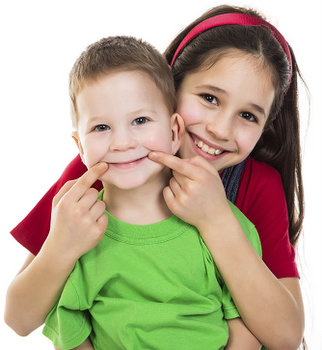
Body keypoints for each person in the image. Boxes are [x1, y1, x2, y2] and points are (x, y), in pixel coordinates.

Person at [5, 5, 305, 349]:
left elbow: (283, 337)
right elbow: (23, 317)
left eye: (248, 115)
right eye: (209, 98)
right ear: (171, 87)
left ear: (265, 125)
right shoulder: (105, 169)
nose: (220, 129)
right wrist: (61, 247)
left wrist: (216, 221)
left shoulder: (257, 185)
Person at [39, 35, 262, 349]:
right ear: (80, 147)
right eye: (102, 128)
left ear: (174, 132)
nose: (123, 143)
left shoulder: (224, 223)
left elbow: (248, 328)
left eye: (140, 120)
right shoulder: (77, 230)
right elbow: (65, 329)